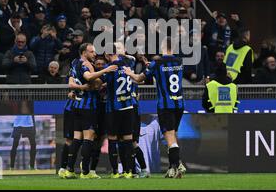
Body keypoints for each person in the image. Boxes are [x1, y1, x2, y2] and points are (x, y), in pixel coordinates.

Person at [124, 37, 187, 179]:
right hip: (179, 104)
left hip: (166, 105)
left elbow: (139, 79)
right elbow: (166, 71)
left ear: (162, 46)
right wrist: (150, 66)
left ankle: (174, 168)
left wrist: (129, 73)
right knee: (172, 136)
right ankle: (177, 164)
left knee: (169, 137)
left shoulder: (156, 63)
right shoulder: (179, 61)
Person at [59, 43, 117, 179]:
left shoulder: (74, 62)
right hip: (88, 107)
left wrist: (77, 88)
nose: (94, 54)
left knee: (77, 138)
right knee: (88, 137)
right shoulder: (86, 64)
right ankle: (85, 172)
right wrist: (105, 71)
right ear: (84, 52)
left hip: (78, 105)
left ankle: (70, 170)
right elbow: (88, 77)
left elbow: (72, 82)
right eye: (92, 52)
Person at [102, 45, 138, 179]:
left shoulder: (109, 68)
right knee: (128, 139)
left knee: (113, 139)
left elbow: (101, 82)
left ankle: (116, 171)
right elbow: (133, 58)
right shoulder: (128, 64)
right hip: (128, 106)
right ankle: (129, 171)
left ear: (107, 54)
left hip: (114, 108)